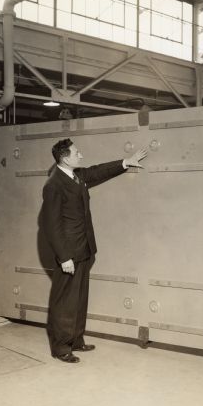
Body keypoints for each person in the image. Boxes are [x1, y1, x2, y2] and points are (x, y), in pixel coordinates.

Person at [41, 138, 148, 363]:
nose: (81, 155)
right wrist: (64, 257)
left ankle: (76, 340)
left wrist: (126, 162)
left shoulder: (76, 176)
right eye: (77, 152)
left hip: (84, 249)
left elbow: (96, 172)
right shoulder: (54, 185)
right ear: (64, 157)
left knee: (79, 298)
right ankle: (61, 348)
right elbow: (50, 225)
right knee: (65, 302)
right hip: (69, 253)